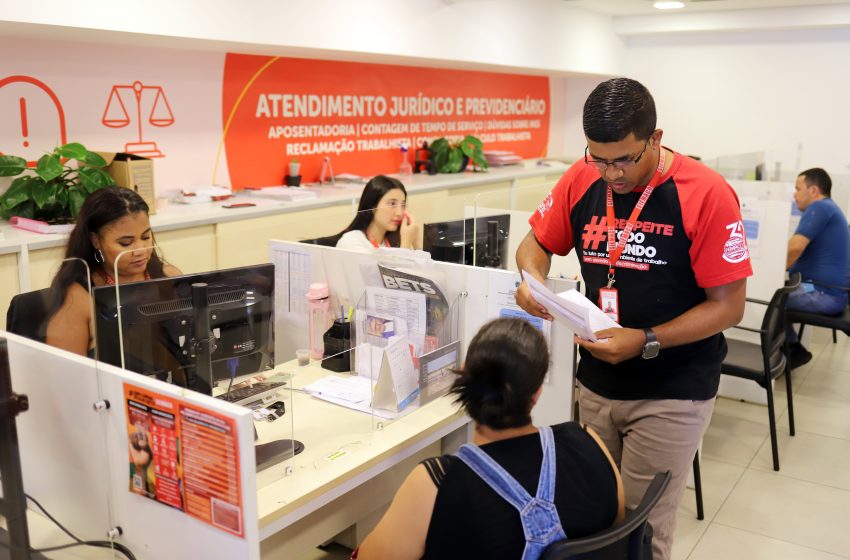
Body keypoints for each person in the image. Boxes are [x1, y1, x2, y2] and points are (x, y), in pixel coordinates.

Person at [514, 77, 752, 560]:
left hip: (672, 388)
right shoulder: (583, 178)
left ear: (656, 138)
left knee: (644, 531)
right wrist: (531, 281)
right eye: (597, 158)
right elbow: (534, 243)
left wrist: (644, 339)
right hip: (598, 380)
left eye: (624, 159)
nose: (611, 174)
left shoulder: (704, 192)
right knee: (594, 513)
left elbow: (729, 306)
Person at [356, 318, 624, 560]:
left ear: (466, 377)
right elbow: (616, 535)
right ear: (537, 393)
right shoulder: (588, 442)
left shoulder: (434, 483)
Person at [46, 186, 181, 356]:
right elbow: (64, 373)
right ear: (96, 241)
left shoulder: (168, 277)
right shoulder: (79, 297)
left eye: (146, 237)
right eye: (126, 243)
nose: (140, 250)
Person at [785, 167, 850, 368]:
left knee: (772, 297)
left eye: (797, 188)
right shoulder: (829, 208)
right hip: (825, 291)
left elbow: (795, 248)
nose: (794, 194)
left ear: (813, 191)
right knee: (779, 292)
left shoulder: (819, 208)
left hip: (823, 294)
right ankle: (789, 348)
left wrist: (771, 272)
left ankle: (791, 350)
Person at [334, 175, 421, 251]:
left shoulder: (392, 241)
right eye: (392, 204)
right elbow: (389, 270)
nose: (399, 212)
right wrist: (406, 243)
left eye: (403, 205)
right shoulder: (352, 241)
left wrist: (416, 242)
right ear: (373, 206)